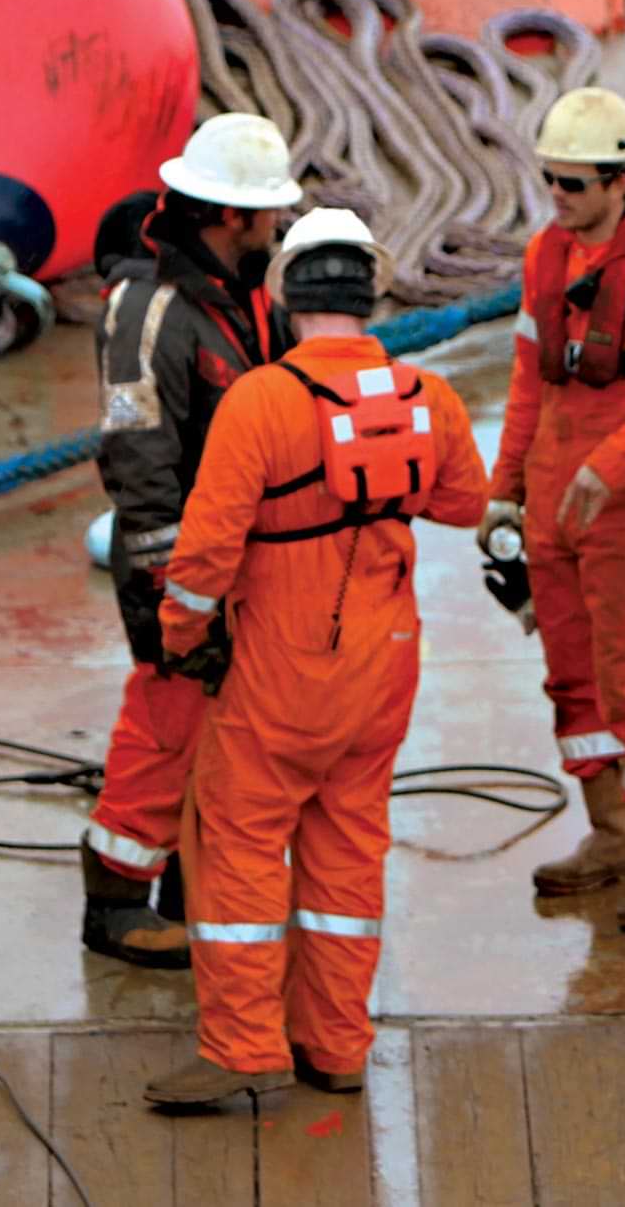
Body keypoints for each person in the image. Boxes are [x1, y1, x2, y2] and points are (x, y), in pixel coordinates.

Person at [142, 210, 489, 1109]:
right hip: (385, 667)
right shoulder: (428, 395)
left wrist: (181, 636)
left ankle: (242, 1045)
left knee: (239, 841)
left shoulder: (261, 399)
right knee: (347, 847)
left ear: (283, 297)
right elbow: (464, 503)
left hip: (282, 667)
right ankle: (334, 1045)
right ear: (369, 294)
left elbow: (206, 553)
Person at [478, 88, 625, 932]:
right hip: (553, 503)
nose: (559, 199)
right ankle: (615, 835)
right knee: (572, 678)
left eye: (574, 184)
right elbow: (530, 378)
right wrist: (505, 486)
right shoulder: (546, 256)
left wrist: (611, 467)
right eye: (551, 182)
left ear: (620, 183)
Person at [81, 114, 303, 968]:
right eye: (269, 213)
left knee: (220, 736)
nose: (277, 227)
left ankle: (183, 884)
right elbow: (139, 464)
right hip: (180, 573)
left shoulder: (243, 295)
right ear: (231, 215)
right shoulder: (150, 311)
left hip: (234, 562)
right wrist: (172, 600)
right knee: (164, 727)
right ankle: (113, 899)